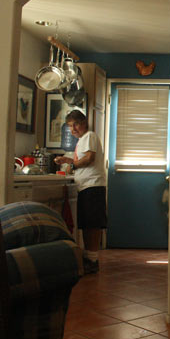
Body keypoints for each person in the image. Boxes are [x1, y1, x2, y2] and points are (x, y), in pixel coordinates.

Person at [54, 110, 106, 274]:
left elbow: (89, 158)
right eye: (70, 126)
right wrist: (69, 161)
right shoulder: (83, 140)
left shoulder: (89, 136)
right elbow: (84, 159)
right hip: (85, 186)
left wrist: (73, 165)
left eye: (75, 124)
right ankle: (88, 258)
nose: (73, 129)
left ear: (83, 123)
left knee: (92, 224)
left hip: (92, 185)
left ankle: (92, 259)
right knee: (87, 224)